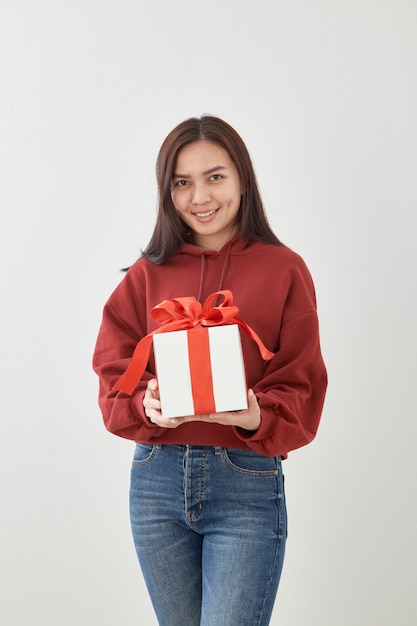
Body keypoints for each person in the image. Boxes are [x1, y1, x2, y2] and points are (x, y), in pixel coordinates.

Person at [92, 115, 327, 626]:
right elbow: (113, 372)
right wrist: (142, 405)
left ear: (243, 179)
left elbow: (303, 384)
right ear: (167, 191)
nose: (200, 196)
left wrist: (254, 414)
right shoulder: (147, 272)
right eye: (182, 181)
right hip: (154, 482)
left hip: (245, 481)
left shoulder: (284, 269)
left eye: (215, 176)